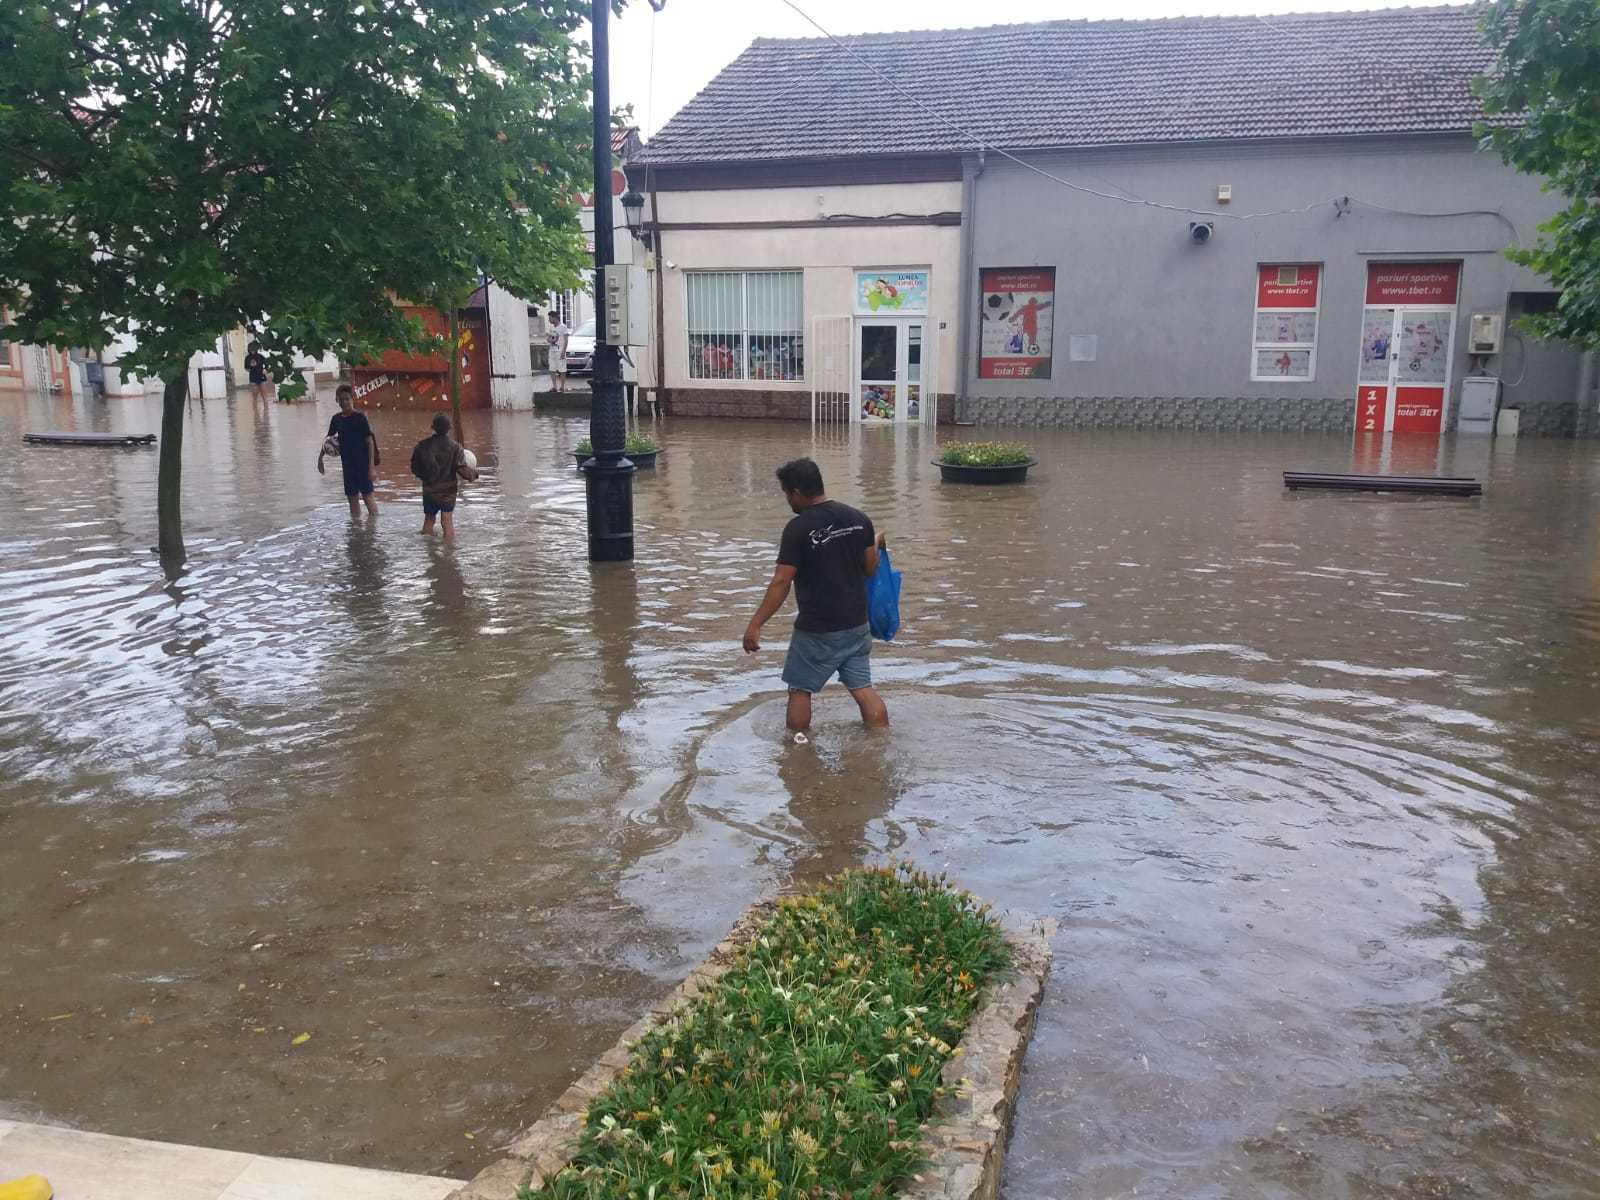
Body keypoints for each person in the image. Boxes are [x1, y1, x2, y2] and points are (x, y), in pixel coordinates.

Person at [743, 457, 889, 735]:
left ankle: (796, 750)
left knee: (800, 689)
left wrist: (756, 624)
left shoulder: (797, 529)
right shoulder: (859, 519)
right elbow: (870, 568)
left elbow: (781, 581)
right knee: (862, 688)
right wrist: (876, 541)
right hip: (857, 626)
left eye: (786, 494)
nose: (787, 500)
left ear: (796, 492)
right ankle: (881, 738)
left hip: (817, 630)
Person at [410, 412, 480, 537]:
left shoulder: (422, 446)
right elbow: (462, 470)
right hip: (448, 492)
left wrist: (426, 479)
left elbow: (414, 468)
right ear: (449, 429)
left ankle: (429, 552)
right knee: (447, 521)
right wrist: (474, 474)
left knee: (429, 519)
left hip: (429, 490)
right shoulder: (456, 447)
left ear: (433, 427)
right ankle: (449, 553)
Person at [317, 384, 378, 517]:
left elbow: (370, 442)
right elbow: (328, 440)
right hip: (347, 465)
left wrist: (371, 467)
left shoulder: (360, 418)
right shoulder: (336, 419)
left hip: (362, 465)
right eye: (341, 399)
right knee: (352, 501)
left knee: (368, 499)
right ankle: (355, 532)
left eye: (347, 399)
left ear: (352, 399)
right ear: (337, 401)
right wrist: (320, 458)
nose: (344, 402)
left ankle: (374, 531)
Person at [548, 315, 570, 393]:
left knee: (562, 369)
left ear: (555, 318)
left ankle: (562, 386)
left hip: (560, 350)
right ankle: (554, 386)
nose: (549, 320)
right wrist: (549, 339)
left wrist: (564, 351)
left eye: (550, 318)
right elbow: (549, 338)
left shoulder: (563, 327)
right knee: (552, 368)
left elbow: (566, 340)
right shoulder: (551, 327)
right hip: (552, 350)